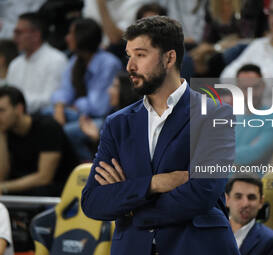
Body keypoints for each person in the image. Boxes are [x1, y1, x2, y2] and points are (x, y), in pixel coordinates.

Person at [81, 16, 239, 255]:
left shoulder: (214, 115)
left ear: (169, 58)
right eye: (129, 55)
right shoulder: (117, 123)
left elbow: (202, 193)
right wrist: (154, 184)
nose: (129, 66)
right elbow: (93, 201)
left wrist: (132, 206)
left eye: (141, 55)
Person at [0, 86, 79, 196]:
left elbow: (44, 178)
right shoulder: (6, 130)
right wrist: (1, 136)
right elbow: (2, 177)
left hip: (59, 193)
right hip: (23, 190)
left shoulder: (48, 127)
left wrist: (4, 188)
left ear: (19, 109)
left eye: (1, 110)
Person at [51, 18, 121, 126]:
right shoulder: (75, 59)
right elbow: (65, 89)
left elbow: (99, 107)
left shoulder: (108, 64)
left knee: (68, 131)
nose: (67, 38)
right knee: (45, 115)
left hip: (104, 119)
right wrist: (59, 106)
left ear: (83, 36)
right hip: (78, 112)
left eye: (71, 34)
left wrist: (76, 105)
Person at [6, 12, 67, 114]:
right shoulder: (15, 64)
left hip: (43, 120)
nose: (14, 38)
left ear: (35, 35)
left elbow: (51, 100)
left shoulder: (56, 60)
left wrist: (16, 105)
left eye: (19, 33)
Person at [77, 72, 141, 161]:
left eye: (115, 86)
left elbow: (116, 157)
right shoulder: (112, 112)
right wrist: (95, 137)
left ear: (126, 91)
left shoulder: (132, 120)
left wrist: (97, 138)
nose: (109, 90)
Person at [232, 64, 273, 165]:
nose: (251, 94)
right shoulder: (233, 117)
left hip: (254, 179)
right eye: (245, 88)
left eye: (255, 87)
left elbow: (254, 153)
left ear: (263, 86)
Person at [225, 175, 273, 255]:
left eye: (251, 197)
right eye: (238, 197)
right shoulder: (212, 233)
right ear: (227, 200)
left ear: (261, 202)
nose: (245, 204)